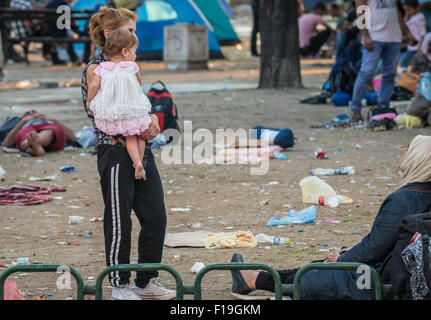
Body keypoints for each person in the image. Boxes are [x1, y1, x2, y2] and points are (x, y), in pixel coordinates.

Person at [231, 134, 431, 300]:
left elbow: (374, 249)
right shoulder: (420, 194)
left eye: (409, 149)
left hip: (385, 282)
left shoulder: (404, 199)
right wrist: (346, 254)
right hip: (401, 273)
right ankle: (255, 278)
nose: (403, 153)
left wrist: (343, 259)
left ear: (418, 159)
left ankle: (255, 280)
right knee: (323, 264)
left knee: (316, 274)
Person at [83, 6, 175, 300]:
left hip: (141, 150)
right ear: (111, 34)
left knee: (155, 216)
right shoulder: (95, 70)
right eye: (131, 32)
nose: (138, 39)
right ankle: (119, 284)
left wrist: (150, 122)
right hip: (114, 152)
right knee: (120, 219)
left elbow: (138, 104)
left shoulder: (130, 66)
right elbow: (94, 112)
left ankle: (146, 280)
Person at [87, 29, 152, 180]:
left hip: (115, 109)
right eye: (134, 51)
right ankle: (140, 161)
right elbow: (139, 82)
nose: (135, 55)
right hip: (134, 107)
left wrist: (90, 100)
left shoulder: (103, 68)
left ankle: (136, 163)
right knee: (141, 135)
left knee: (129, 137)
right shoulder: (131, 67)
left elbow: (94, 86)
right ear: (125, 51)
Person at [349, 0, 416, 123]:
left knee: (389, 74)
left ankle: (383, 107)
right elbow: (361, 12)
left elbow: (396, 12)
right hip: (374, 37)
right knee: (367, 72)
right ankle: (355, 107)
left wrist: (406, 32)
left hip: (394, 37)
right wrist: (365, 36)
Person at [2, 109, 76, 156]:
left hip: (47, 126)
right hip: (28, 127)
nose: (31, 114)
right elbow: (7, 144)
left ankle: (32, 143)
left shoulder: (49, 120)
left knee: (49, 132)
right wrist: (23, 121)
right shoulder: (21, 123)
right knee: (25, 134)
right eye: (27, 113)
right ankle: (32, 143)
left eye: (33, 111)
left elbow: (73, 137)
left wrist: (54, 120)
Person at [45, 0, 82, 65]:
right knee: (83, 34)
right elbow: (72, 24)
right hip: (61, 34)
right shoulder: (66, 5)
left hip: (51, 33)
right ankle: (80, 60)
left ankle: (73, 60)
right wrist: (77, 30)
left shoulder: (49, 4)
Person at [399, 0, 427, 72]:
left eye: (409, 10)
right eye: (405, 10)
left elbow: (423, 34)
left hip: (417, 47)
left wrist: (420, 46)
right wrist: (406, 15)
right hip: (411, 46)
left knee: (403, 61)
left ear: (416, 8)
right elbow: (403, 24)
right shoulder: (412, 17)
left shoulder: (420, 17)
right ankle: (405, 77)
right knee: (409, 63)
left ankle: (404, 76)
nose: (407, 12)